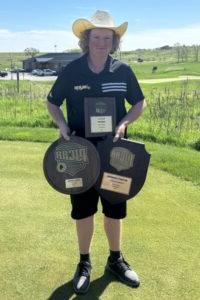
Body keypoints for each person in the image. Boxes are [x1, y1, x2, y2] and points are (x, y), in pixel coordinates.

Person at [47, 10, 147, 295]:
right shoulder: (72, 71)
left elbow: (139, 102)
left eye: (107, 38)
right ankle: (84, 263)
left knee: (114, 210)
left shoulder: (123, 71)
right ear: (86, 40)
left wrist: (125, 122)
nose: (102, 43)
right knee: (83, 211)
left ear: (113, 42)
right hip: (79, 154)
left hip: (116, 155)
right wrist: (62, 125)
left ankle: (115, 260)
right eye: (96, 38)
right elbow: (52, 102)